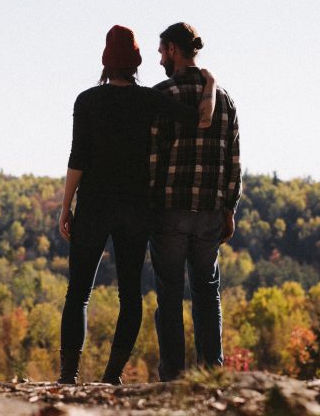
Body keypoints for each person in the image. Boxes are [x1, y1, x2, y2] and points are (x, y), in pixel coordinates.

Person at [57, 25, 216, 385]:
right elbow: (201, 118)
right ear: (136, 63)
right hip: (136, 208)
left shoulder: (86, 101)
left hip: (94, 205)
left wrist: (66, 206)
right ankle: (112, 376)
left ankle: (68, 377)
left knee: (78, 292)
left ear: (105, 62)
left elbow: (78, 158)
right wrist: (210, 82)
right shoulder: (149, 99)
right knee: (130, 295)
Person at [148, 22, 241, 381]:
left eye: (161, 51)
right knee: (207, 293)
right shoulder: (224, 99)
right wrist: (229, 208)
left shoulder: (162, 95)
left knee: (169, 294)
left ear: (173, 49)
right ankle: (210, 372)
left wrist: (148, 204)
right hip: (208, 212)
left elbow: (152, 158)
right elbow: (233, 159)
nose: (160, 59)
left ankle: (173, 375)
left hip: (169, 211)